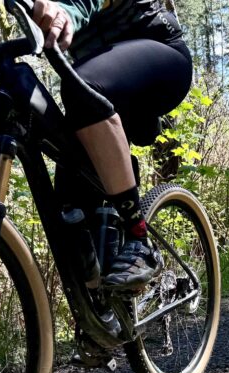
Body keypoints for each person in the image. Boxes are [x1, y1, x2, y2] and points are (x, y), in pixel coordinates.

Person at [31, 0, 193, 289]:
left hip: (160, 55)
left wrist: (68, 10)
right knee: (71, 206)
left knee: (81, 88)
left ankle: (138, 238)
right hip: (100, 89)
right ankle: (105, 317)